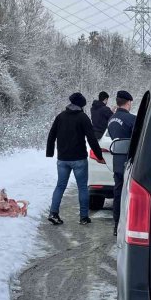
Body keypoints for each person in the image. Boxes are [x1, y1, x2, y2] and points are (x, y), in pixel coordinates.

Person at [46, 92, 105, 226]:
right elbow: (91, 138)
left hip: (62, 159)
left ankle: (53, 213)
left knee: (60, 186)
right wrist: (99, 156)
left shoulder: (60, 117)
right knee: (83, 188)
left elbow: (51, 135)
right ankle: (84, 217)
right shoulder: (83, 118)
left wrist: (50, 152)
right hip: (79, 159)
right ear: (81, 106)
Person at [107, 90, 136, 236]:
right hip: (130, 161)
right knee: (132, 194)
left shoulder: (111, 119)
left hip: (117, 161)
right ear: (129, 102)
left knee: (118, 193)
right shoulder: (132, 119)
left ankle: (116, 225)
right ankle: (129, 225)